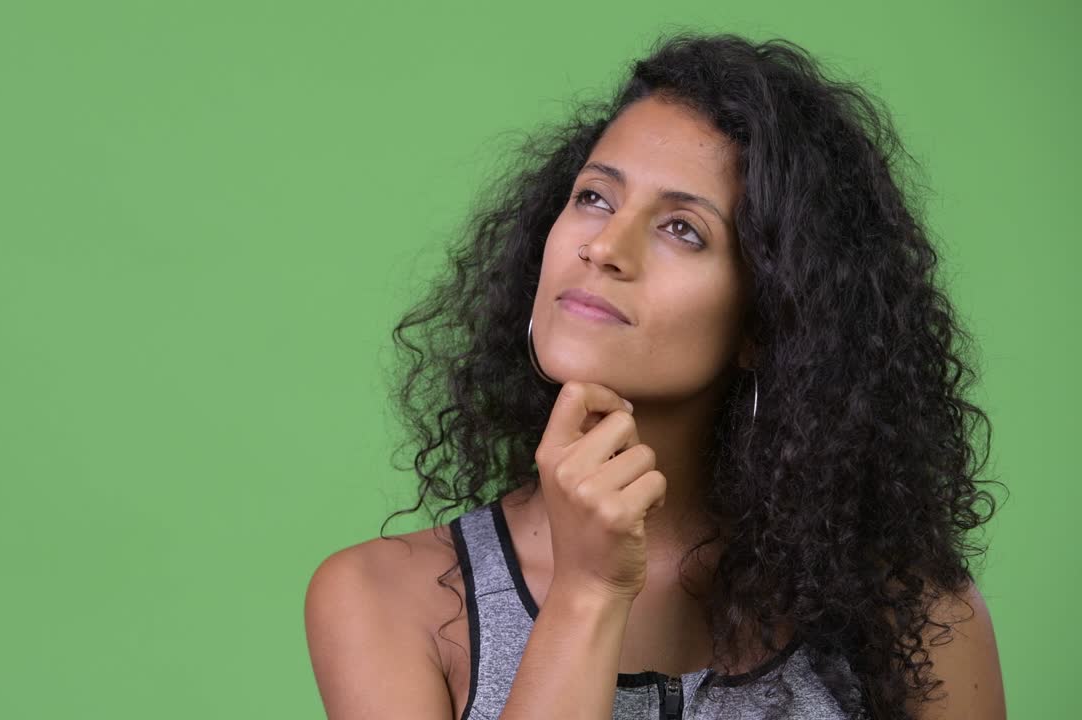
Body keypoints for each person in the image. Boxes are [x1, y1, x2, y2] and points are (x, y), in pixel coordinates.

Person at [304, 30, 1006, 720]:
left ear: (767, 322)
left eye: (683, 230)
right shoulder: (384, 601)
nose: (605, 246)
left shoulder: (916, 620)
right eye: (595, 198)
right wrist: (587, 591)